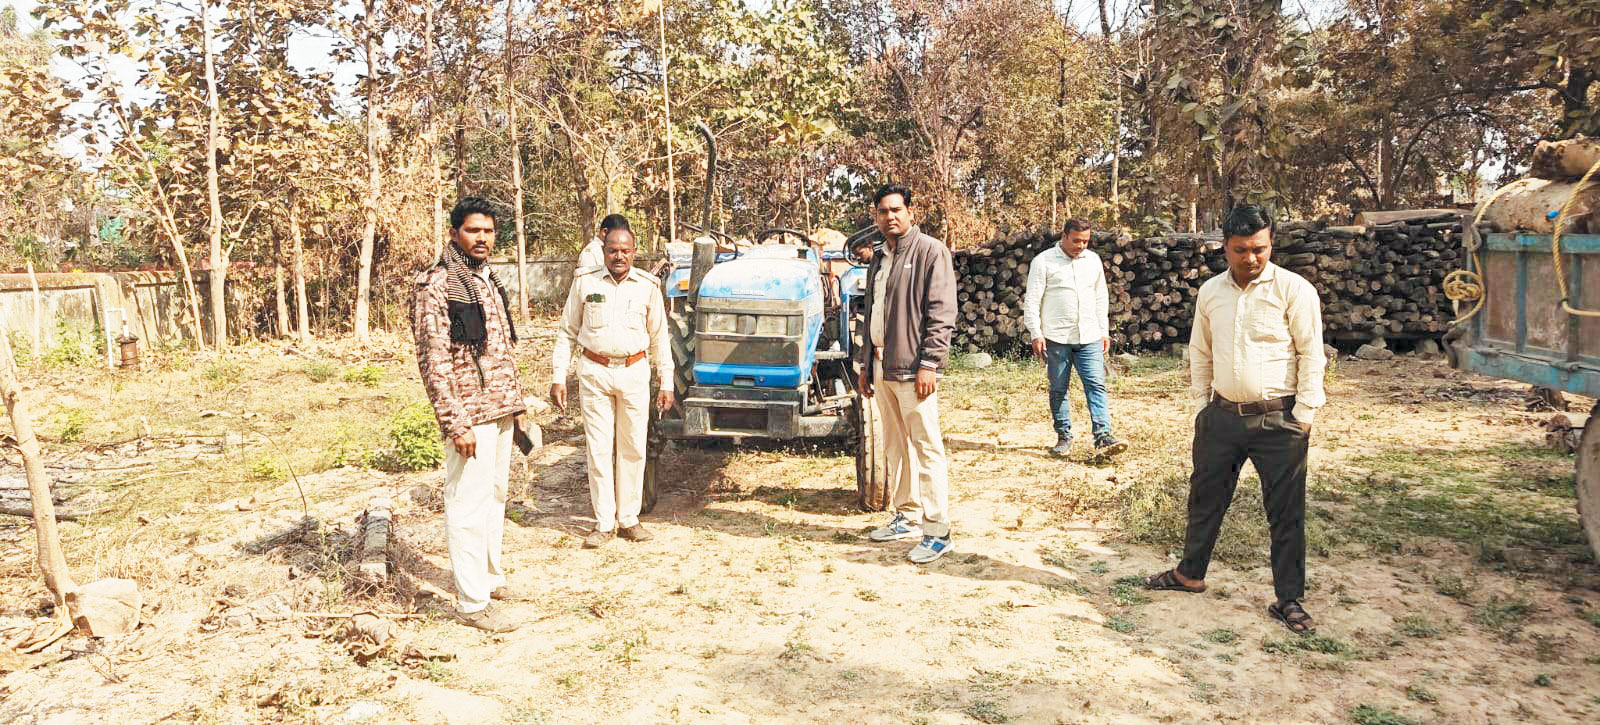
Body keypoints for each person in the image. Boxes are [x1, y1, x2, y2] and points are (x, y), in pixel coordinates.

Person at [1144, 205, 1327, 635]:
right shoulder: (1211, 293)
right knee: (1205, 500)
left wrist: (1303, 414)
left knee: (1285, 513)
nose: (1251, 258)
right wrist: (1202, 407)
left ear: (1271, 244)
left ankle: (1288, 599)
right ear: (1224, 247)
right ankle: (1190, 574)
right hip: (1221, 417)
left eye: (1260, 249)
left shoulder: (1294, 290)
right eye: (1241, 250)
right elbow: (1201, 352)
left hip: (1278, 421)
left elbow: (1311, 353)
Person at [412, 197, 531, 632]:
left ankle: (489, 578)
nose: (482, 238)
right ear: (454, 233)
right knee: (466, 506)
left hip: (499, 410)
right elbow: (434, 360)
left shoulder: (487, 281)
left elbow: (503, 353)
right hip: (469, 417)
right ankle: (471, 603)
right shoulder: (438, 285)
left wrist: (518, 407)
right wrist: (455, 422)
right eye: (473, 231)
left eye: (488, 231)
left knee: (495, 499)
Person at [550, 222, 674, 549]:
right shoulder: (585, 283)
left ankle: (629, 519)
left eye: (625, 251)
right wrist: (558, 376)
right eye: (613, 250)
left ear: (634, 253)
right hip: (594, 371)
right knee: (599, 448)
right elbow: (566, 333)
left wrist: (667, 382)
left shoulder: (647, 287)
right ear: (603, 250)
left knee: (633, 447)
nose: (619, 256)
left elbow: (660, 338)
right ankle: (604, 522)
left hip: (634, 371)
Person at [858, 184, 958, 564]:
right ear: (877, 217)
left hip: (914, 368)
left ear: (911, 212)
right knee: (895, 445)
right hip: (883, 365)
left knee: (926, 446)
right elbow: (873, 315)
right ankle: (906, 515)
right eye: (883, 211)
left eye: (897, 210)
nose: (890, 217)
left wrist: (929, 363)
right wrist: (866, 364)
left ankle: (938, 531)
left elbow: (942, 311)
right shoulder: (880, 257)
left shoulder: (931, 251)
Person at [1023, 218, 1126, 457]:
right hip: (1056, 338)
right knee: (1059, 388)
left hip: (1089, 336)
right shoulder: (1044, 262)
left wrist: (1103, 331)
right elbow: (1033, 300)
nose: (1081, 246)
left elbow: (1101, 297)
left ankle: (1103, 436)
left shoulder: (1093, 261)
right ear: (1064, 235)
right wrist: (1036, 333)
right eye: (1076, 240)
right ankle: (1064, 436)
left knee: (1096, 385)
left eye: (1086, 241)